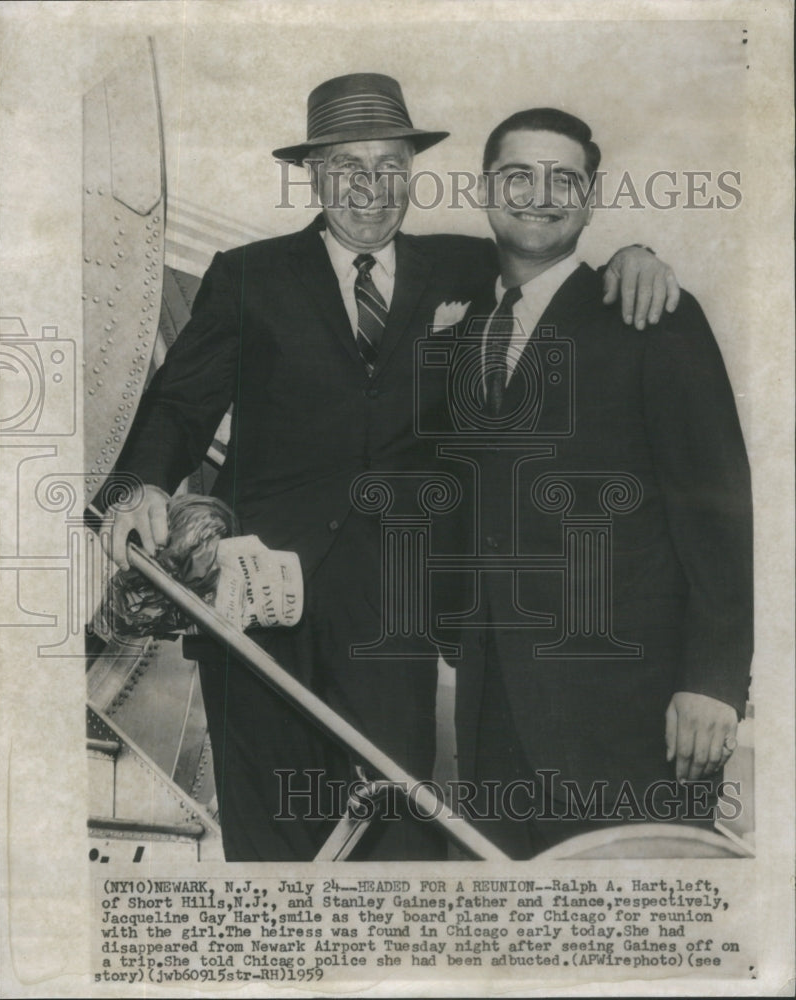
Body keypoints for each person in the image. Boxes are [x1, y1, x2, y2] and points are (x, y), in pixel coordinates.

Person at [98, 74, 680, 861]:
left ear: (412, 170)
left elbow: (557, 273)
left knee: (397, 842)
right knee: (271, 851)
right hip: (253, 608)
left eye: (390, 167)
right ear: (312, 174)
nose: (371, 190)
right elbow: (177, 409)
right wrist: (138, 489)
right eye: (348, 168)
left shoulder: (465, 270)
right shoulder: (248, 277)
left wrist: (635, 259)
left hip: (395, 616)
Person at [452, 108, 753, 859]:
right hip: (493, 717)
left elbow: (715, 510)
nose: (539, 194)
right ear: (485, 188)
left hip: (632, 718)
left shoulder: (654, 317)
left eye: (565, 179)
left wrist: (713, 681)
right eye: (517, 175)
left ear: (589, 200)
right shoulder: (462, 335)